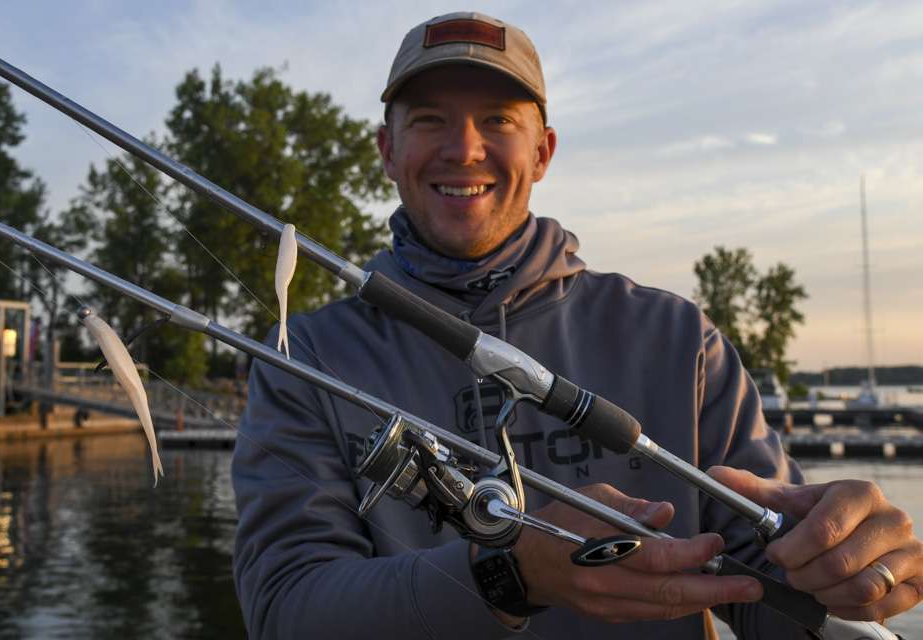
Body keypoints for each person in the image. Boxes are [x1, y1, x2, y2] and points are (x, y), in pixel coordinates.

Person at [232, 11, 922, 639]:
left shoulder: (679, 340)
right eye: (430, 120)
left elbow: (769, 594)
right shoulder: (305, 356)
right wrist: (506, 576)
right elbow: (284, 611)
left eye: (498, 120)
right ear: (387, 149)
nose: (464, 149)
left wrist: (847, 570)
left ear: (543, 152)